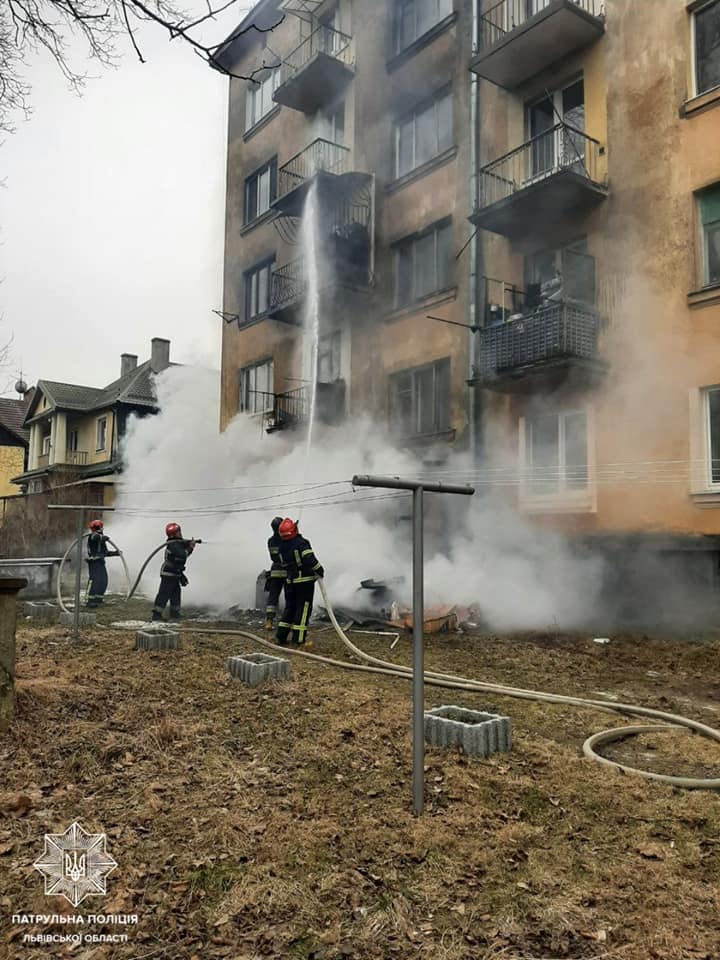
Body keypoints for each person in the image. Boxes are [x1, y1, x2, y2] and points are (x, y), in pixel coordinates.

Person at [275, 518, 324, 648]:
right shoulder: (301, 543)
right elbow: (309, 559)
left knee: (290, 608)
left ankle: (281, 636)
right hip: (304, 583)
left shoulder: (281, 546)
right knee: (303, 609)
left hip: (289, 582)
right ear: (294, 530)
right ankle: (299, 640)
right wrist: (320, 569)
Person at [152, 522, 198, 621]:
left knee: (175, 593)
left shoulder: (177, 543)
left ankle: (174, 613)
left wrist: (189, 543)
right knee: (164, 594)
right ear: (174, 533)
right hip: (169, 573)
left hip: (176, 573)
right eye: (178, 531)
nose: (180, 533)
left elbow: (182, 546)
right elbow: (183, 555)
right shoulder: (173, 545)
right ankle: (156, 615)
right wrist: (191, 547)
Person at [86, 519, 119, 608]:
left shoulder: (101, 539)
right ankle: (90, 601)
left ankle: (98, 600)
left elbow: (105, 552)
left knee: (103, 581)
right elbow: (95, 537)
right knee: (95, 581)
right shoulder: (93, 537)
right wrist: (103, 537)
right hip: (94, 563)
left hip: (100, 562)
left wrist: (115, 553)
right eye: (98, 528)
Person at [265, 516, 287, 632]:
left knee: (273, 597)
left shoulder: (271, 541)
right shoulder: (286, 540)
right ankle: (288, 622)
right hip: (287, 572)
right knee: (290, 597)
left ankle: (269, 621)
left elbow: (274, 557)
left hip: (275, 571)